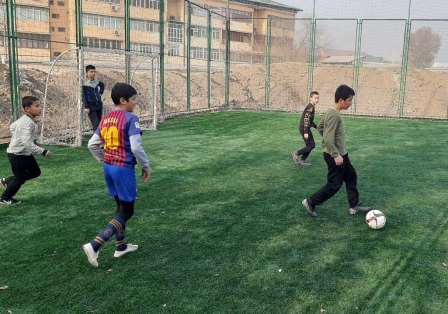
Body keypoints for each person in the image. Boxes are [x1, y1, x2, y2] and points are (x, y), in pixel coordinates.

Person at [82, 83, 151, 268]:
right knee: (127, 211)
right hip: (123, 169)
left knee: (120, 208)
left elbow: (91, 144)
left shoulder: (105, 119)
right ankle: (95, 244)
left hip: (109, 168)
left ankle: (121, 246)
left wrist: (103, 158)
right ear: (123, 100)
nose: (136, 103)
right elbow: (136, 147)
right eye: (134, 99)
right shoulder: (131, 118)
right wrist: (145, 165)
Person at [302, 85, 370, 217]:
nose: (350, 103)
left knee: (351, 176)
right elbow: (327, 137)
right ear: (341, 100)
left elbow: (321, 128)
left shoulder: (330, 111)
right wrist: (335, 154)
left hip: (341, 154)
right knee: (334, 184)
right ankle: (310, 202)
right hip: (335, 155)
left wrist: (331, 143)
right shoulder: (334, 115)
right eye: (349, 100)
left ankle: (354, 205)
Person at [0, 96, 52, 205]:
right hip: (16, 154)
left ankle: (7, 181)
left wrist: (18, 136)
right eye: (37, 106)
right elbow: (27, 143)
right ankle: (5, 198)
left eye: (39, 105)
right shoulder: (27, 123)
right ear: (27, 109)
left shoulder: (26, 120)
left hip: (25, 153)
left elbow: (12, 127)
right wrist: (43, 151)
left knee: (35, 172)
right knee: (20, 178)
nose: (40, 108)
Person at [292, 91, 319, 166]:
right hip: (304, 128)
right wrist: (306, 132)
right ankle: (296, 153)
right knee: (311, 145)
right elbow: (306, 119)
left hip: (304, 127)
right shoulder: (310, 107)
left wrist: (316, 126)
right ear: (311, 98)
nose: (317, 100)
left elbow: (310, 120)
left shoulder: (311, 106)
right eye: (315, 98)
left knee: (310, 145)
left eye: (318, 98)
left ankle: (301, 160)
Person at [82, 64, 105, 131]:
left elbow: (102, 85)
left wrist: (100, 92)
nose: (93, 73)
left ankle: (99, 139)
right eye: (91, 72)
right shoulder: (84, 83)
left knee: (100, 124)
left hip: (99, 105)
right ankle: (96, 140)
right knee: (96, 124)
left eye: (94, 72)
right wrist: (86, 106)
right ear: (87, 73)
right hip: (91, 107)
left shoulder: (97, 82)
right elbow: (83, 96)